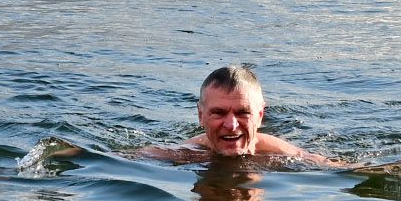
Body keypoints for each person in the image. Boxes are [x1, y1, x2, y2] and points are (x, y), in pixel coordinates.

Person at [147, 64, 344, 165]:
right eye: (218, 113)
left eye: (243, 113)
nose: (231, 125)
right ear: (201, 115)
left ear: (260, 115)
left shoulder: (285, 156)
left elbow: (337, 167)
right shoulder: (184, 154)